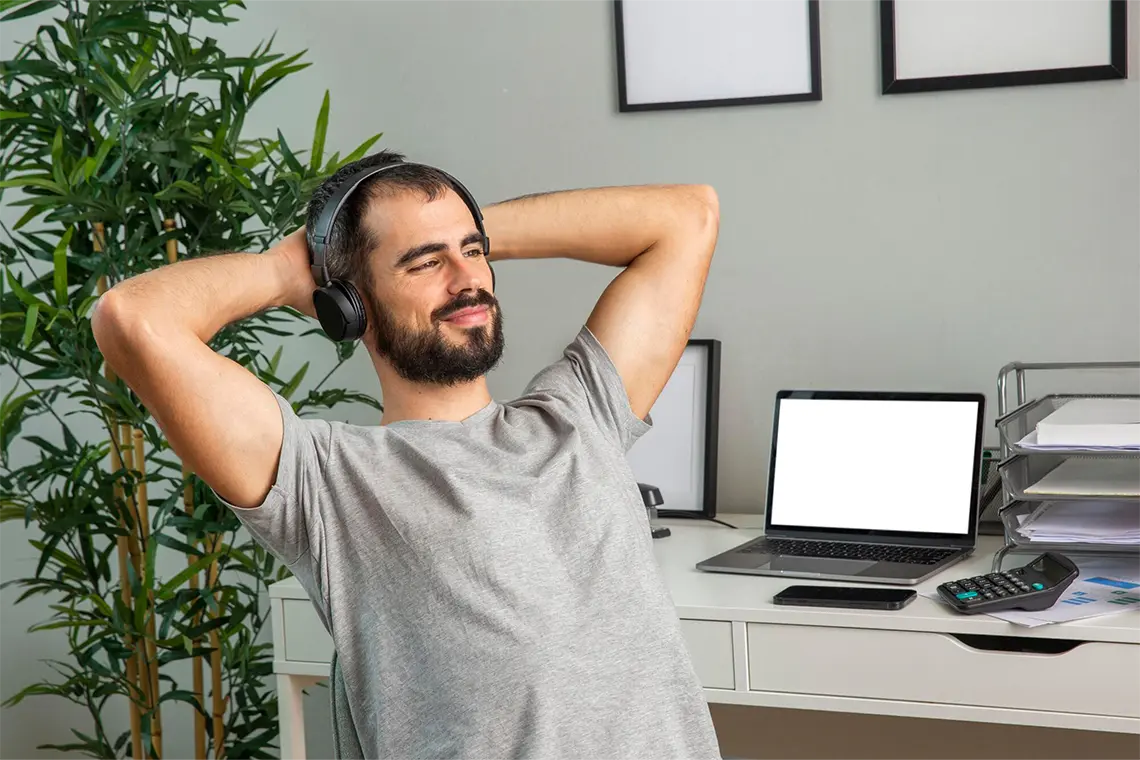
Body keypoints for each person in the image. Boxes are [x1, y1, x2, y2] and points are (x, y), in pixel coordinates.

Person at [92, 149, 722, 760]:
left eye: (473, 254)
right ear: (350, 303)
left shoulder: (581, 413)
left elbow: (686, 217)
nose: (467, 278)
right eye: (424, 264)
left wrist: (453, 230)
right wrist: (297, 267)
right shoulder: (326, 480)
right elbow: (132, 318)